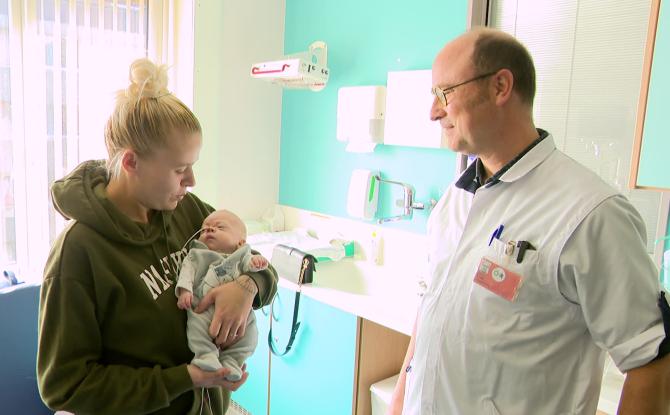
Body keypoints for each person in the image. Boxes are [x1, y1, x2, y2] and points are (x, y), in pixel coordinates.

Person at [388, 28, 670, 415]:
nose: (434, 111)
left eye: (445, 93)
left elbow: (650, 360)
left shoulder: (590, 213)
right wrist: (399, 404)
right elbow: (431, 314)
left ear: (501, 86)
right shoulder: (455, 200)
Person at [37, 58, 277, 415]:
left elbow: (254, 262)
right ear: (131, 163)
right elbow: (64, 386)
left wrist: (248, 287)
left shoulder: (186, 210)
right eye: (180, 169)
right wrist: (185, 379)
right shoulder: (79, 252)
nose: (191, 181)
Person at [176, 209, 269, 381]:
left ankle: (232, 361)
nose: (209, 230)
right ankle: (205, 356)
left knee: (249, 335)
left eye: (220, 227)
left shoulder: (241, 255)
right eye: (204, 229)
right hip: (203, 307)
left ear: (240, 243)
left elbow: (254, 268)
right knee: (196, 328)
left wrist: (256, 264)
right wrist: (184, 291)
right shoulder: (197, 254)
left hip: (240, 314)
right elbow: (187, 271)